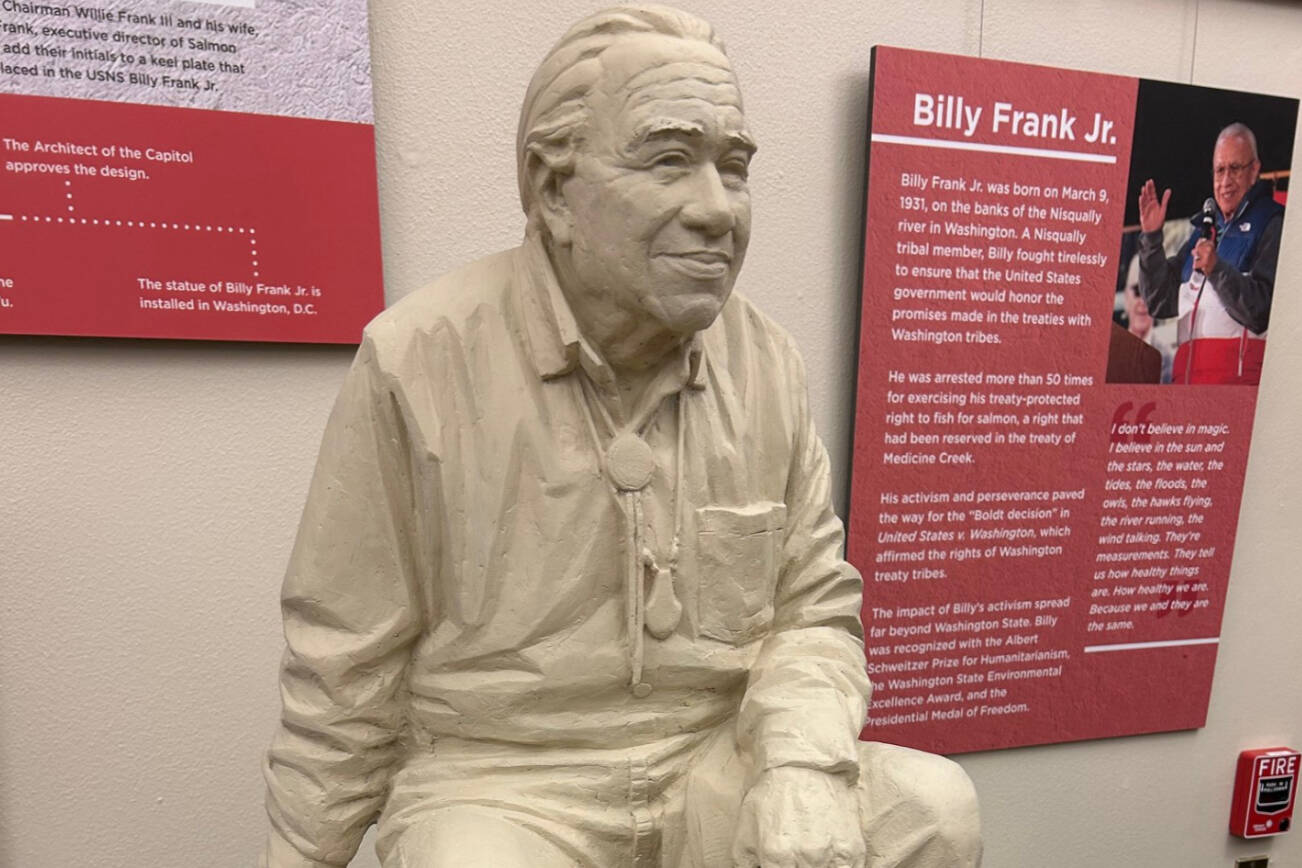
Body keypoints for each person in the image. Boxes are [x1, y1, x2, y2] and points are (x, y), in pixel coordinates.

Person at [261, 7, 981, 867]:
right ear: (554, 189)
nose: (717, 210)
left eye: (734, 167)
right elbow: (346, 657)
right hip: (502, 782)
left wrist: (801, 765)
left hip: (710, 762)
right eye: (670, 160)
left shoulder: (766, 363)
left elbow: (811, 611)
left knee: (931, 810)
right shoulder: (420, 358)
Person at [1135, 122, 1284, 384]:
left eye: (1235, 169)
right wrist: (1151, 239)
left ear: (1254, 170)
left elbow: (1261, 311)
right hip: (1186, 388)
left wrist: (1216, 268)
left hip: (1235, 387)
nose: (1225, 182)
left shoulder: (1272, 222)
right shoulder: (1202, 231)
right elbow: (1160, 301)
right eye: (1219, 170)